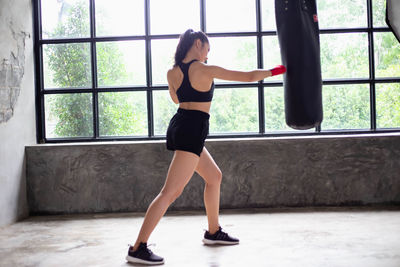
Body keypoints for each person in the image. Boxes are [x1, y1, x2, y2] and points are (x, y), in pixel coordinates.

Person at [126, 29, 286, 265]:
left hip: (182, 124)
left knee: (214, 177)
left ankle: (213, 232)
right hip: (192, 130)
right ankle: (138, 247)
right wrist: (281, 70)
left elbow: (175, 99)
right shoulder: (203, 69)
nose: (208, 56)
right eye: (207, 50)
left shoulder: (172, 72)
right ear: (198, 43)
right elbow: (249, 76)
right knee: (170, 192)